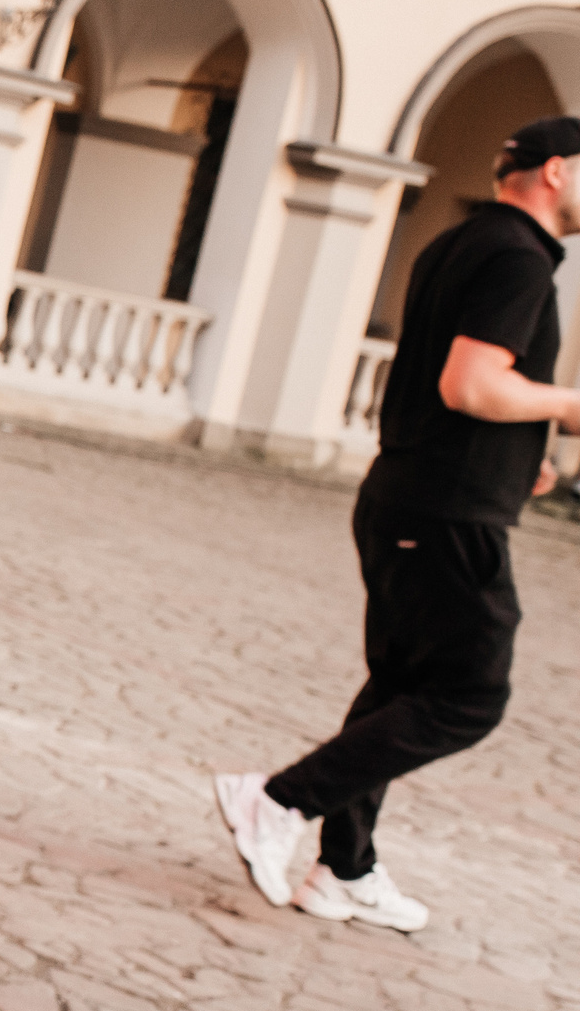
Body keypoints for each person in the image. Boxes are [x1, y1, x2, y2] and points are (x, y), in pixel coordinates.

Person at [217, 114, 580, 933]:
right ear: (557, 171)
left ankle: (342, 868)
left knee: (402, 688)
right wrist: (567, 407)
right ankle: (275, 799)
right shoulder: (519, 260)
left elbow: (450, 388)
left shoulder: (461, 244)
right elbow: (470, 385)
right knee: (469, 695)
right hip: (447, 512)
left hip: (411, 496)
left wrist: (527, 454)